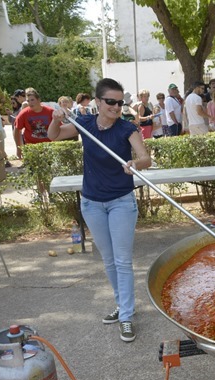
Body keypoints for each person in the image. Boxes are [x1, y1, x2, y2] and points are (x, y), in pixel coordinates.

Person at [47, 78, 152, 341]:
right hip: (92, 202)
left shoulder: (127, 129)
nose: (116, 107)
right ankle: (122, 306)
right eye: (110, 102)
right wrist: (55, 119)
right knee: (108, 260)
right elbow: (55, 135)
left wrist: (134, 164)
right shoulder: (85, 125)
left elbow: (146, 158)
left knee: (122, 261)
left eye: (120, 103)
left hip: (121, 202)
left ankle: (127, 316)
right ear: (97, 102)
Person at [14, 88, 54, 159]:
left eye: (32, 100)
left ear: (39, 100)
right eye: (28, 101)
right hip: (31, 147)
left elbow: (59, 128)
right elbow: (17, 130)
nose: (30, 103)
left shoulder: (50, 112)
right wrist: (18, 148)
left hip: (49, 147)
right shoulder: (23, 114)